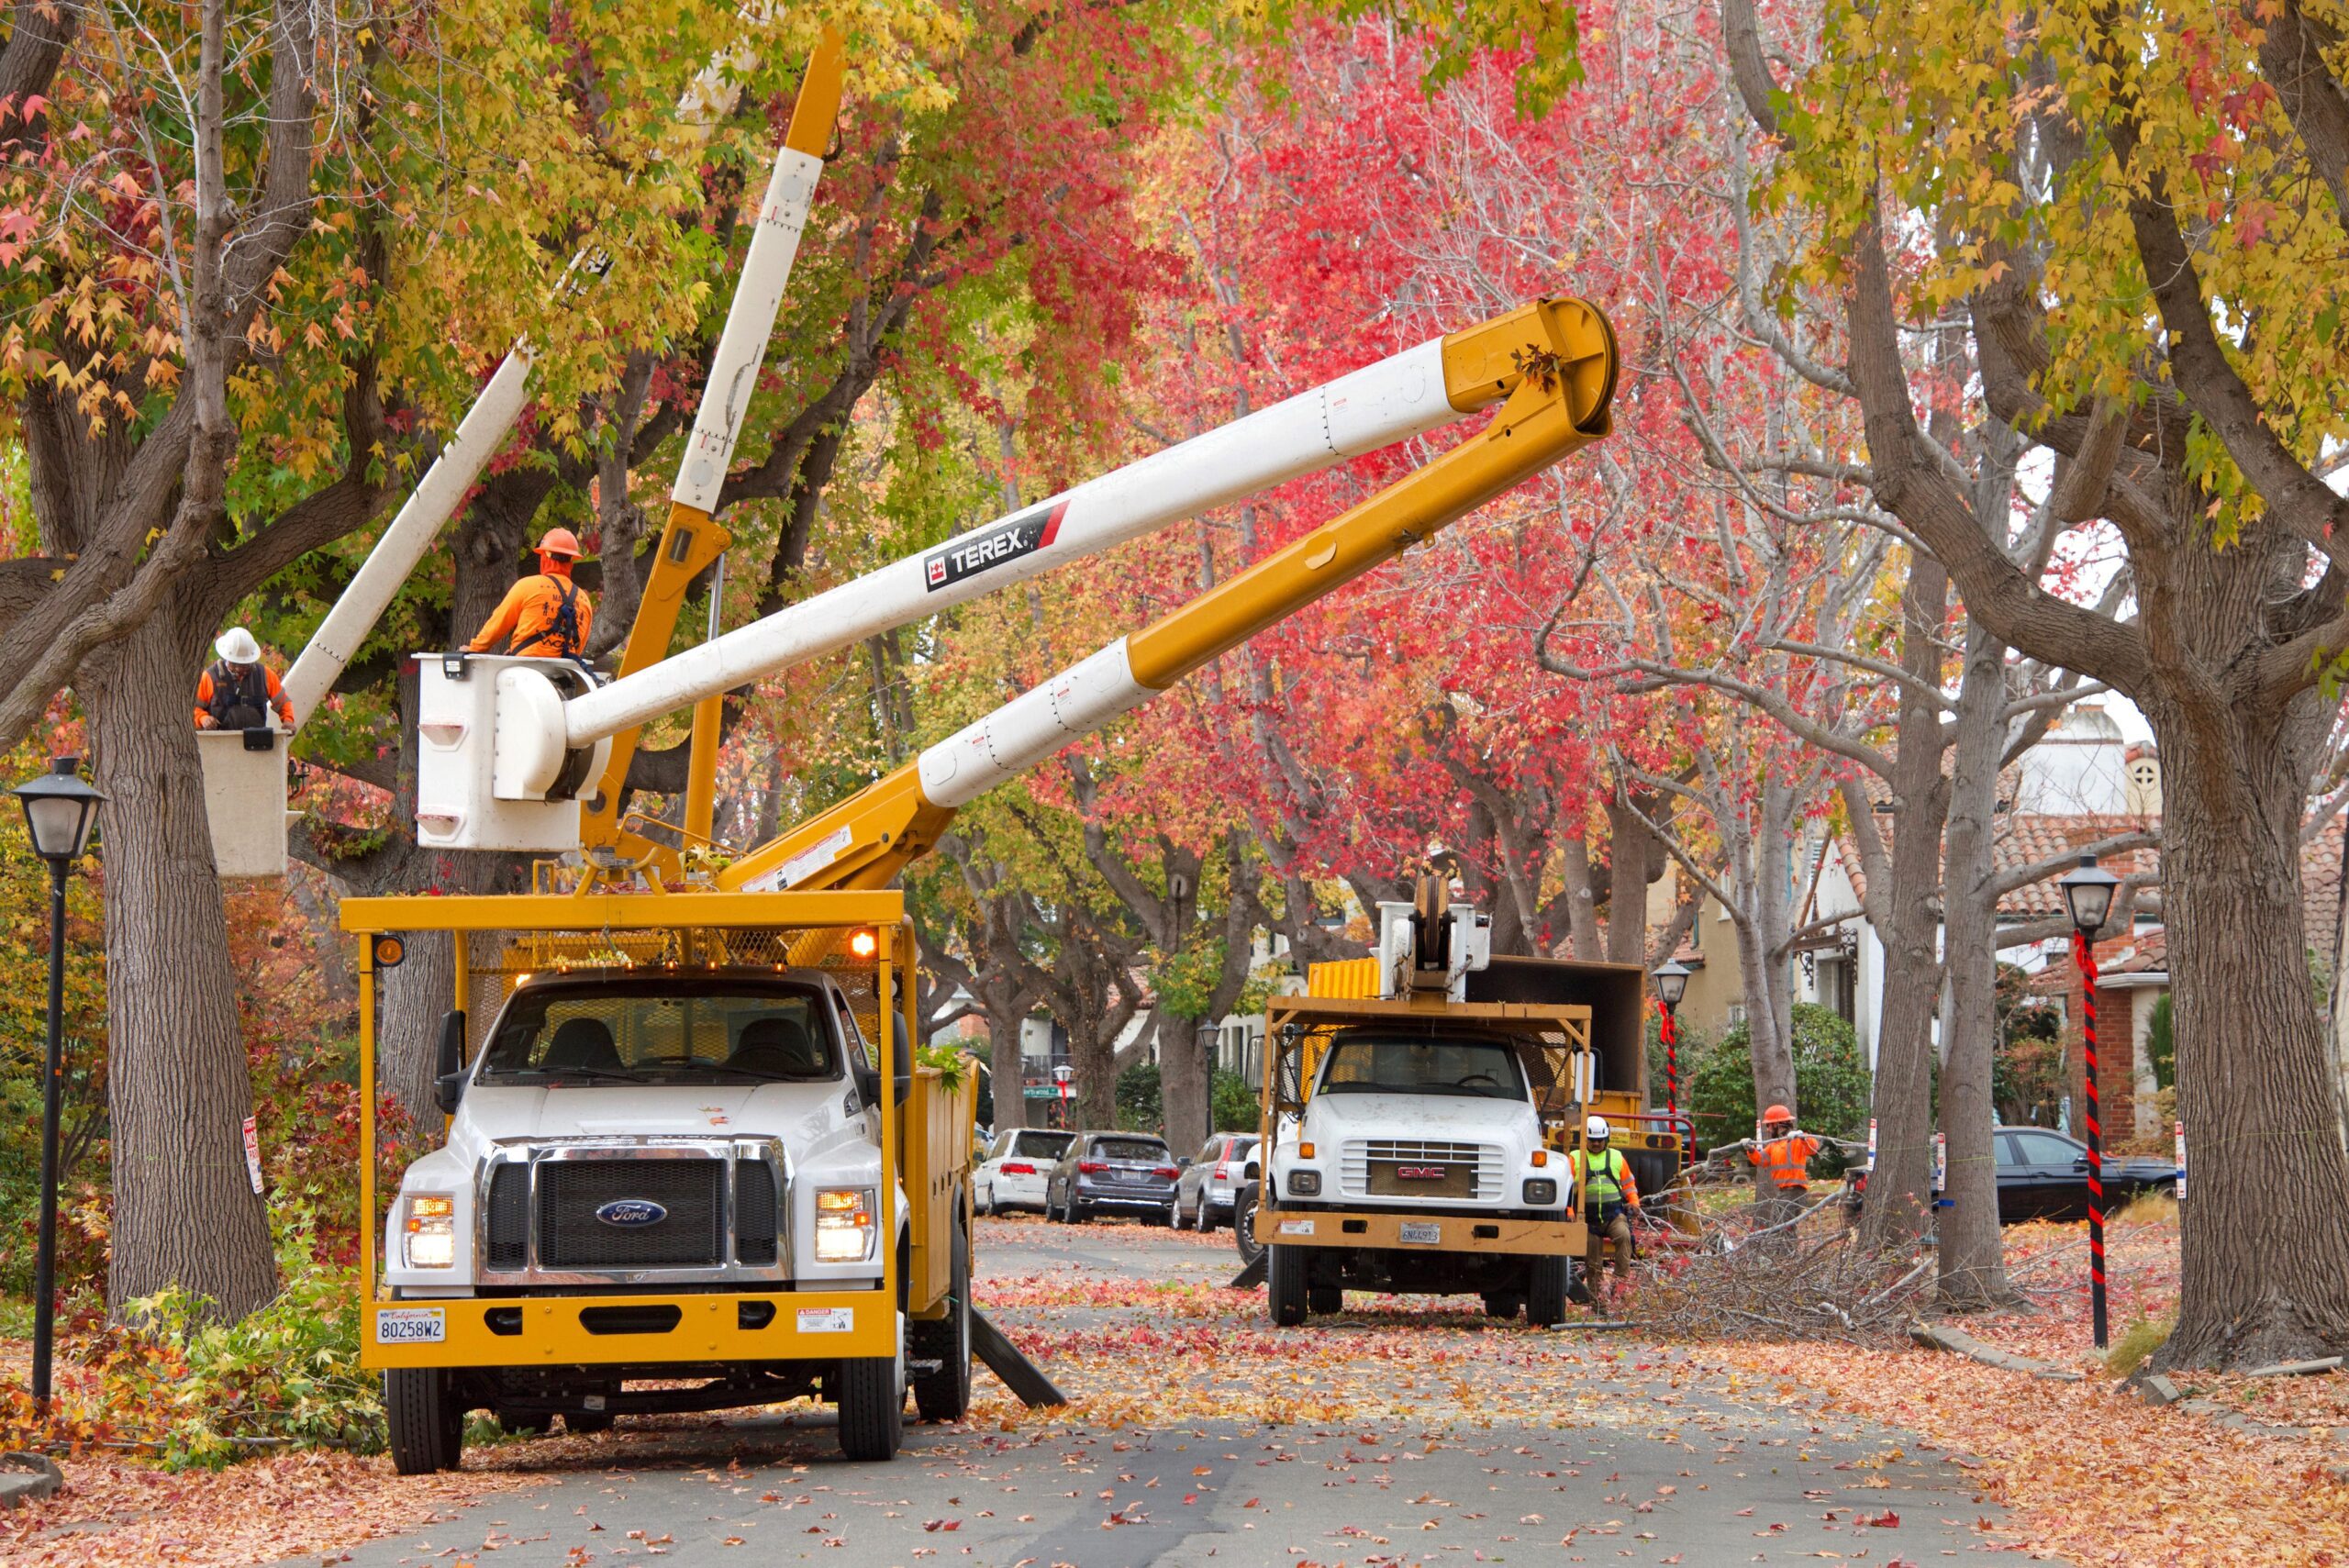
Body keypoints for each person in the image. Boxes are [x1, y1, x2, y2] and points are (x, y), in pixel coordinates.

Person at [465, 527, 594, 660]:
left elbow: (497, 624)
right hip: (565, 671)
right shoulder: (583, 600)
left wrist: (474, 648)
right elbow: (578, 645)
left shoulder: (527, 586)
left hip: (526, 670)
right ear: (571, 562)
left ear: (544, 558)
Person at [1569, 1115, 1641, 1303]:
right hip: (1587, 1219)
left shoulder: (1616, 1157)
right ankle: (1597, 1303)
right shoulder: (1575, 1158)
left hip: (1613, 1215)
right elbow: (1566, 1189)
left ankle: (1619, 1290)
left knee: (1624, 1237)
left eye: (1600, 1140)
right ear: (1586, 1139)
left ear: (1606, 1139)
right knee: (1593, 1263)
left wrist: (1634, 1202)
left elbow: (1629, 1184)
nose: (1596, 1144)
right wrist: (1570, 1211)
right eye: (1592, 1140)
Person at [194, 627, 295, 731]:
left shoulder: (265, 675)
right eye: (234, 664)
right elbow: (192, 708)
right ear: (226, 659)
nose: (238, 669)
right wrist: (202, 718)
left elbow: (283, 703)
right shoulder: (210, 677)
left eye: (244, 665)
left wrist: (288, 720)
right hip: (220, 742)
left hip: (256, 742)